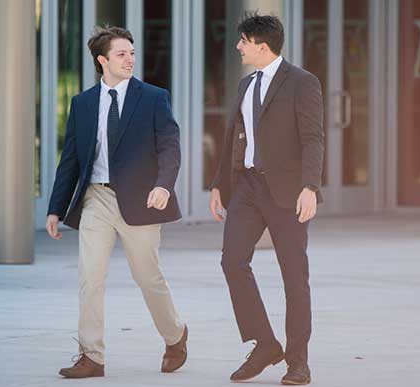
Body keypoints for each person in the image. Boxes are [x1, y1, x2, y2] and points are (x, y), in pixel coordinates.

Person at [46, 25, 188, 379]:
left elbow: (170, 146)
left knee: (147, 277)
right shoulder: (82, 103)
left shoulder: (154, 97)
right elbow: (71, 159)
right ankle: (91, 355)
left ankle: (175, 336)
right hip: (96, 197)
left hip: (141, 200)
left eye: (132, 53)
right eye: (122, 54)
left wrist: (164, 186)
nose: (130, 59)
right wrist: (55, 208)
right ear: (102, 60)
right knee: (90, 278)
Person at [208, 13, 324, 386]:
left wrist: (310, 186)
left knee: (294, 275)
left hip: (288, 192)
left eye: (243, 41)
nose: (238, 47)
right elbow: (232, 138)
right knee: (232, 262)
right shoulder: (245, 85)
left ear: (261, 45)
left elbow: (313, 138)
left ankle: (298, 362)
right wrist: (218, 186)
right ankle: (265, 344)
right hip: (247, 188)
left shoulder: (302, 83)